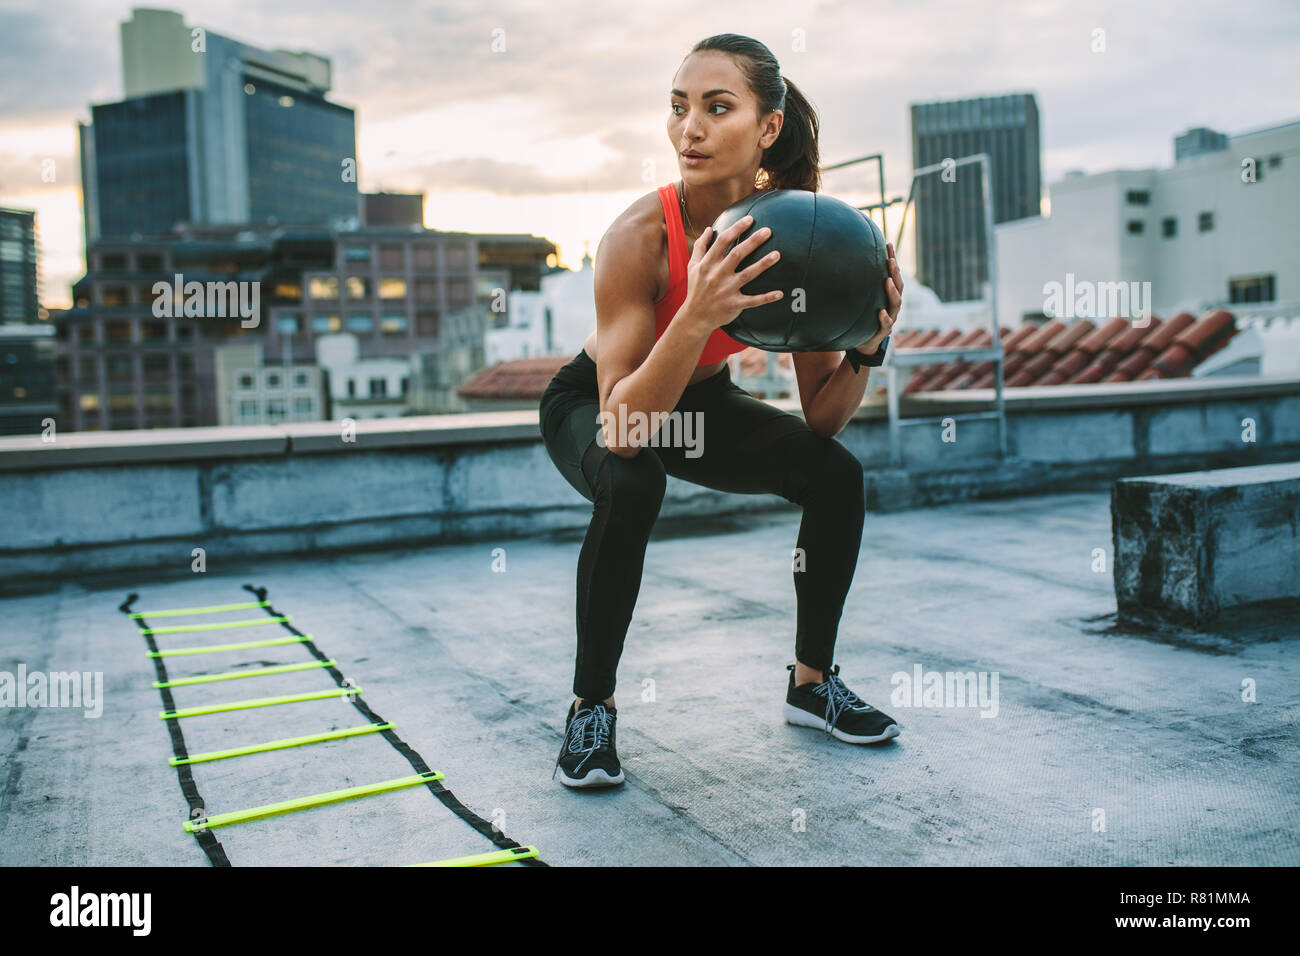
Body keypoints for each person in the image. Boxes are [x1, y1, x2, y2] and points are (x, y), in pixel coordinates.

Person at [538, 33, 903, 788]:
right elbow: (625, 430)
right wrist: (696, 316)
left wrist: (868, 346)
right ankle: (591, 709)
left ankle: (811, 686)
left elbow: (823, 418)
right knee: (633, 482)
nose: (689, 129)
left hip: (700, 403)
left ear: (766, 128)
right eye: (677, 108)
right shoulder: (639, 239)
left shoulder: (791, 232)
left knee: (835, 474)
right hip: (603, 402)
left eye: (716, 107)